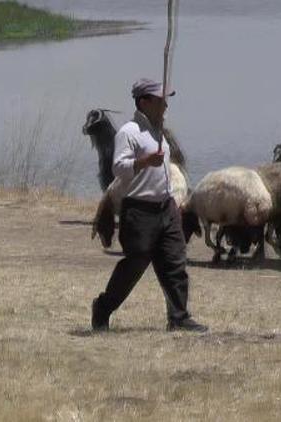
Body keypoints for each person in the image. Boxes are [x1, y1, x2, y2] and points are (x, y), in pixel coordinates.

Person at [91, 78, 207, 333]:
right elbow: (118, 168)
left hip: (166, 207)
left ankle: (179, 317)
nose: (165, 105)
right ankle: (102, 307)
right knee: (135, 264)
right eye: (160, 100)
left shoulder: (159, 132)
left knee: (175, 263)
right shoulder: (129, 133)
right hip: (139, 211)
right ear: (144, 102)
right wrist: (144, 161)